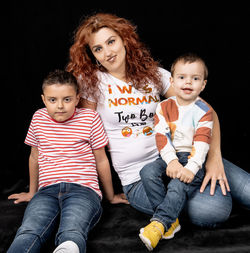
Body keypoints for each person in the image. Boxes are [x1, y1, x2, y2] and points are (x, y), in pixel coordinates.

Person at [66, 11, 249, 239]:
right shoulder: (92, 83)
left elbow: (206, 111)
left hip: (183, 156)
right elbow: (83, 138)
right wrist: (103, 192)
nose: (108, 52)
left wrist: (213, 159)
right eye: (98, 48)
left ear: (124, 39)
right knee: (216, 209)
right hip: (139, 179)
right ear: (92, 55)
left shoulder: (153, 74)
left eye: (111, 41)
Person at [7, 69, 128, 253]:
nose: (60, 106)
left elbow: (101, 160)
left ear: (77, 98)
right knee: (29, 231)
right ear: (44, 99)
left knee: (72, 231)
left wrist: (110, 196)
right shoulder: (39, 118)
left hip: (84, 190)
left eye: (67, 99)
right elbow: (34, 157)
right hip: (47, 191)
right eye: (53, 100)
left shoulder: (90, 118)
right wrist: (32, 192)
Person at [138, 53, 213, 250]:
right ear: (172, 81)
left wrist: (192, 167)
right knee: (147, 172)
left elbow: (203, 142)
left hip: (192, 158)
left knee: (178, 184)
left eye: (195, 78)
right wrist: (171, 161)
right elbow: (161, 137)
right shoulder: (163, 107)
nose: (188, 82)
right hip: (168, 155)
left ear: (203, 85)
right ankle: (172, 223)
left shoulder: (204, 111)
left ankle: (160, 223)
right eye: (182, 77)